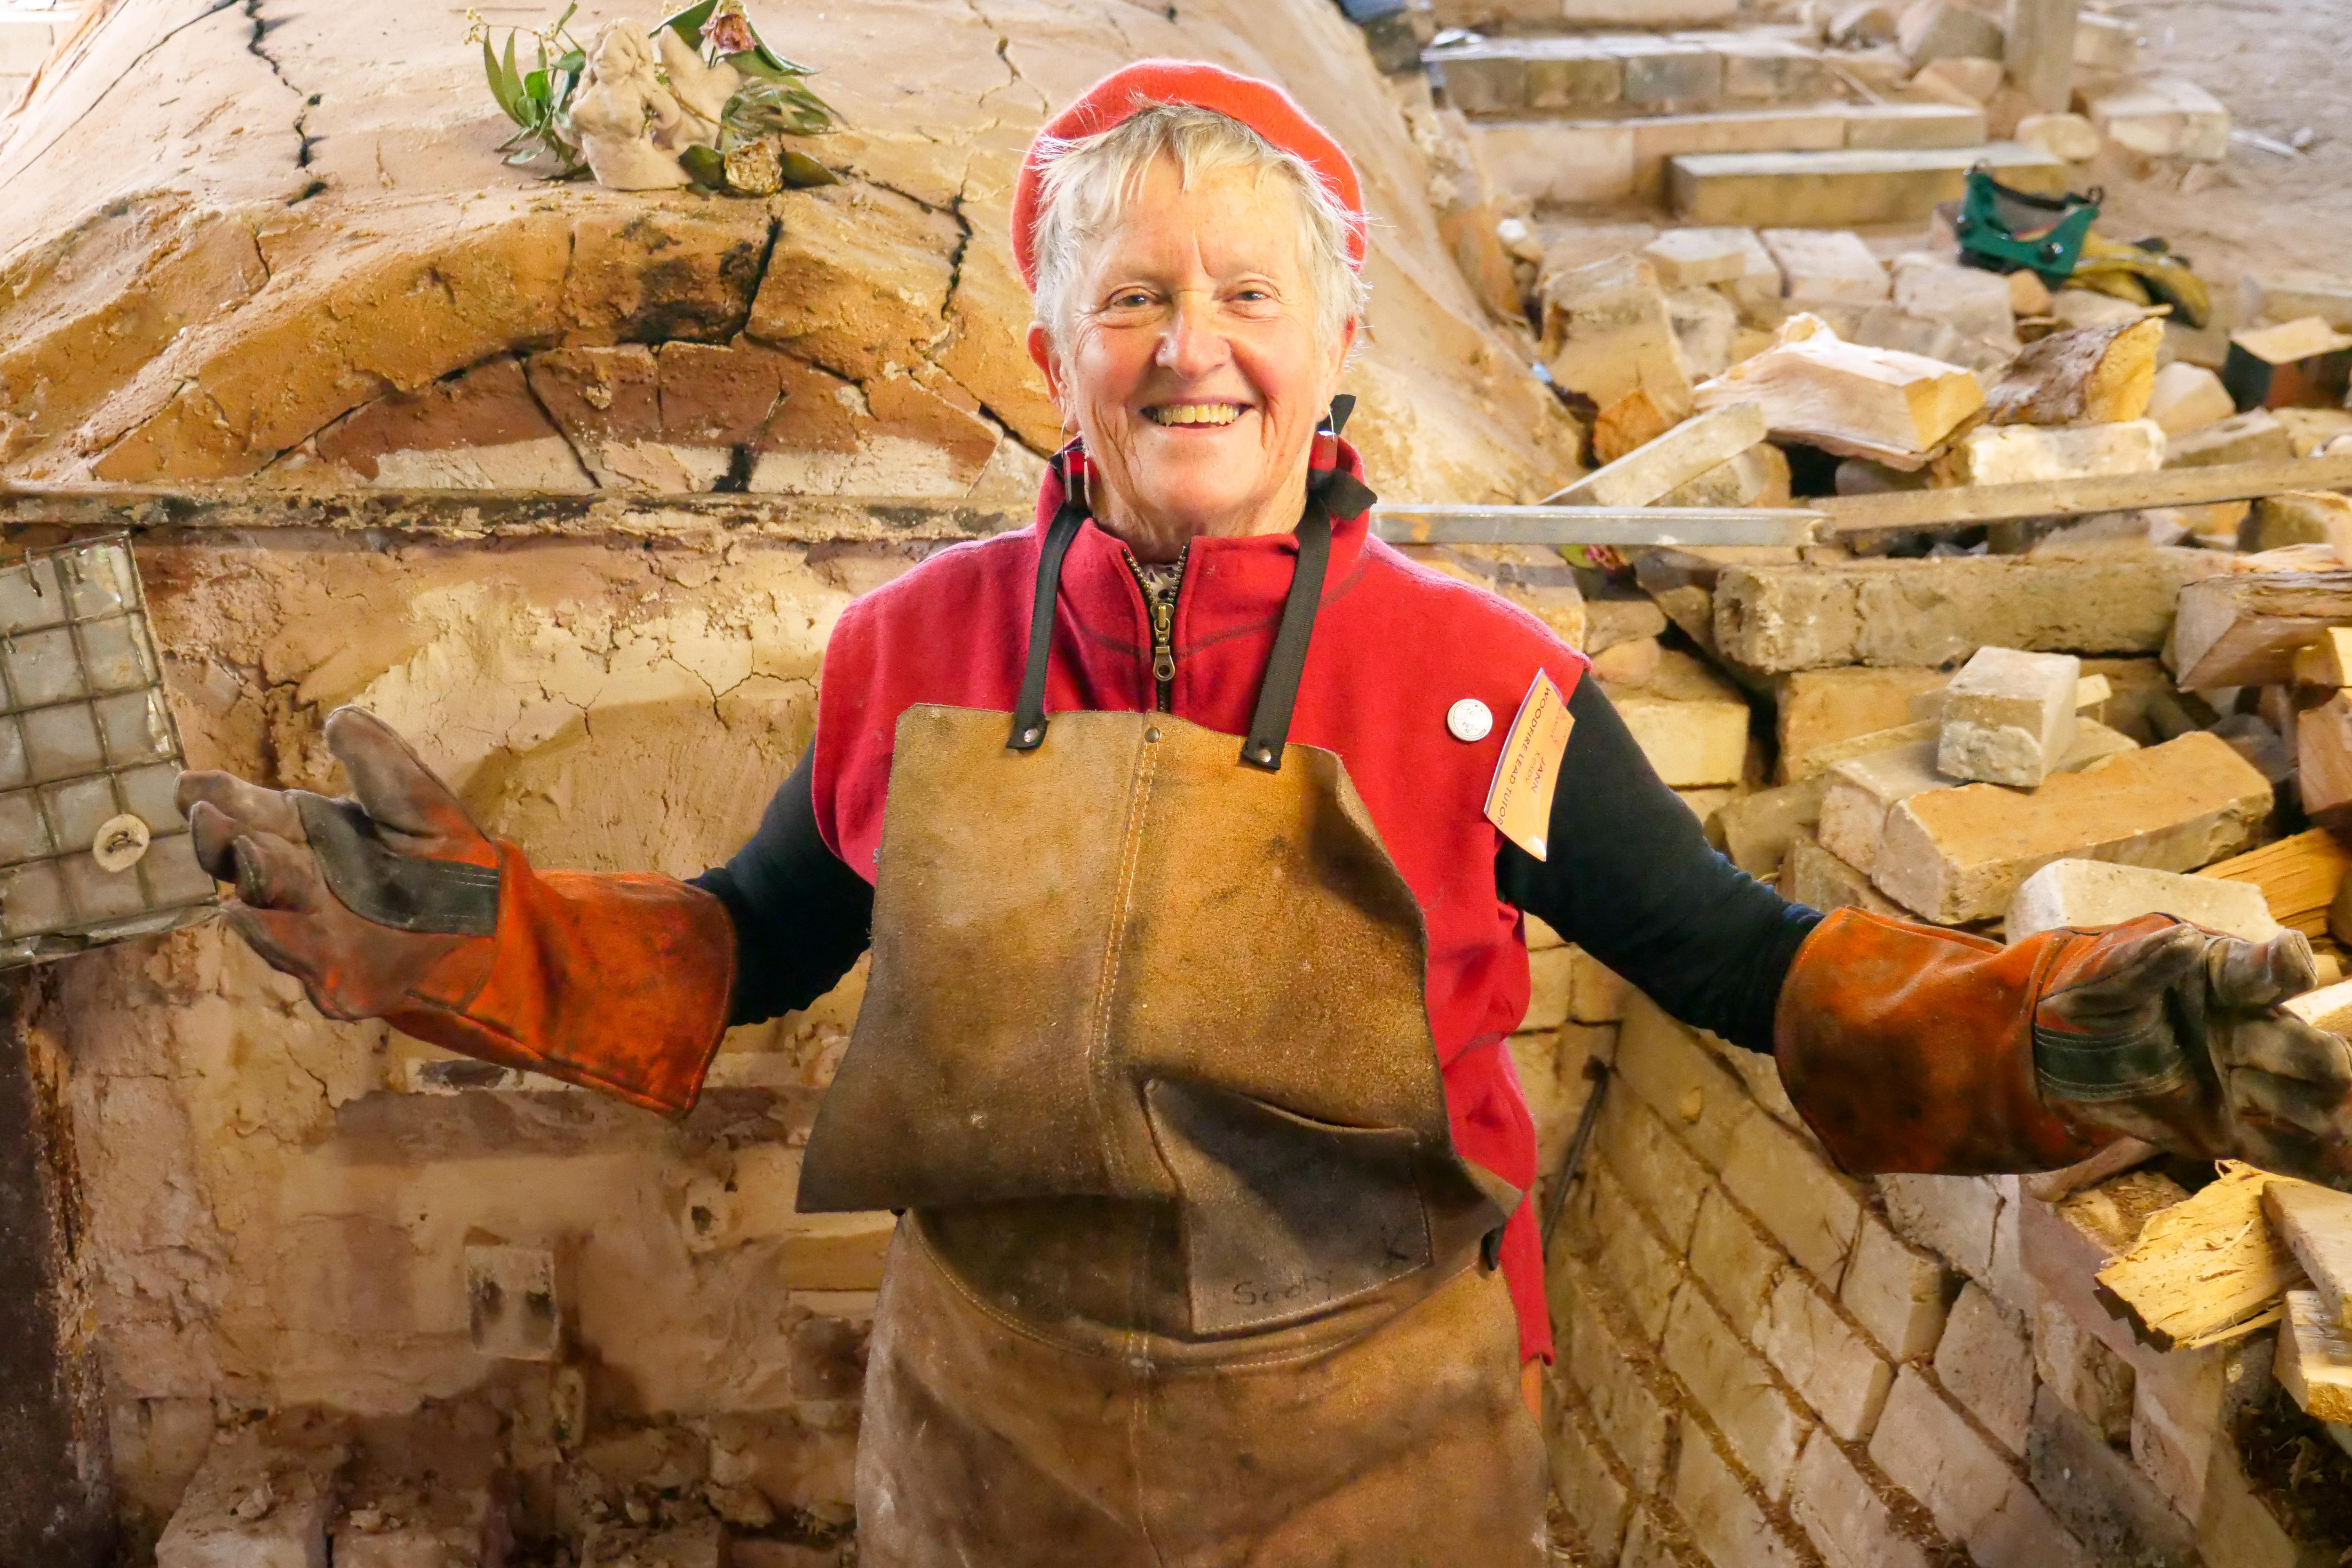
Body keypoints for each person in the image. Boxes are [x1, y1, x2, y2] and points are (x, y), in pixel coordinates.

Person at [179, 60, 2352, 1568]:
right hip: (988, 1430)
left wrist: (2055, 1027)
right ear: (1054, 354)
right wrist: (497, 944)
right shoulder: (907, 652)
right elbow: (756, 939)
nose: (1186, 347)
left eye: (1245, 296)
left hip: (1369, 1446)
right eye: (1130, 296)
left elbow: (1733, 958)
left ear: (1333, 353)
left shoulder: (1473, 678)